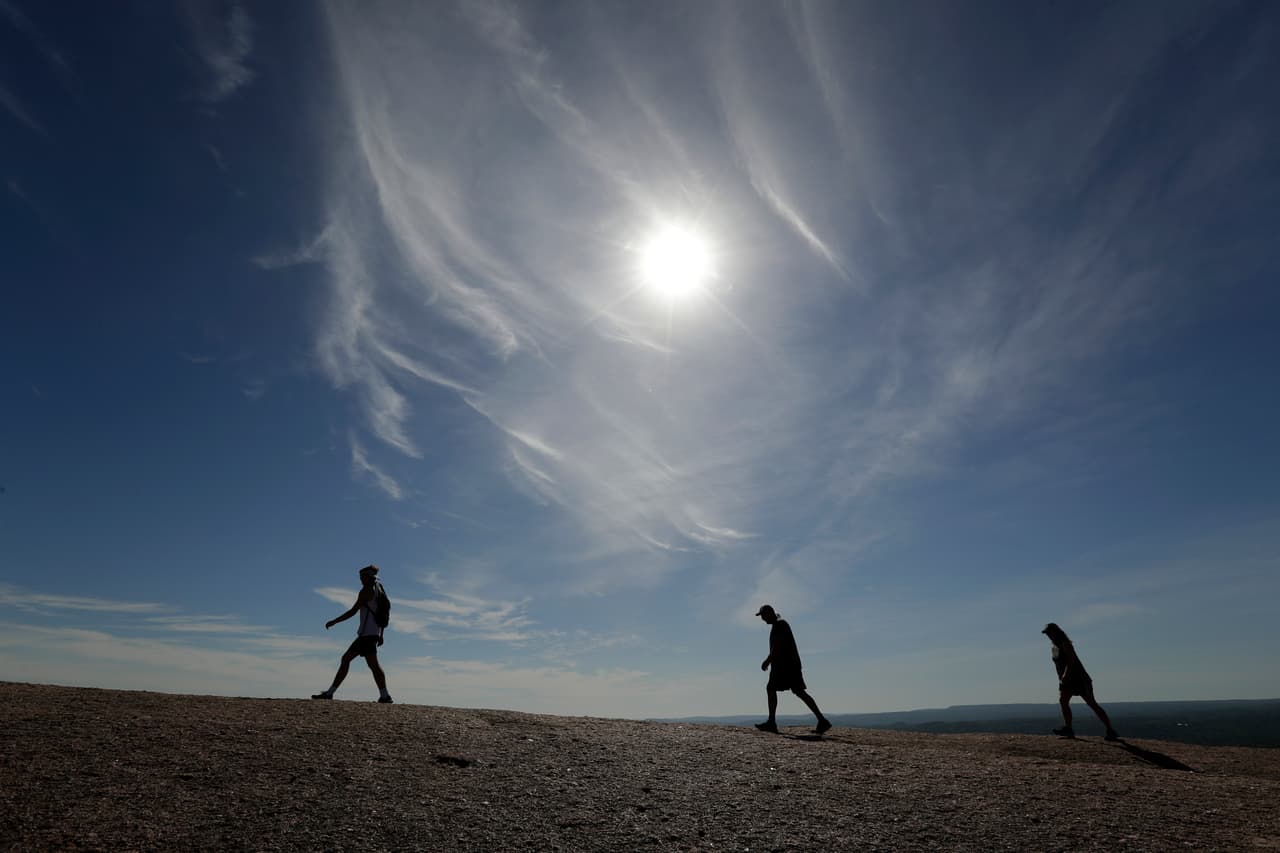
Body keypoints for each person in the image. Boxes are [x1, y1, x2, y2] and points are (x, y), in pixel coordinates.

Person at [312, 564, 393, 703]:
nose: (360, 580)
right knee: (367, 664)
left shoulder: (366, 591)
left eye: (362, 577)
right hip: (372, 634)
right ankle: (384, 695)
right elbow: (383, 613)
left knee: (354, 661)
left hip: (367, 635)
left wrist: (334, 621)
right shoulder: (379, 589)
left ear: (367, 577)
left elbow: (353, 611)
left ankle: (384, 696)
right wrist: (381, 634)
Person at [754, 604, 832, 734]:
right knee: (797, 691)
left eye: (763, 616)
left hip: (786, 666)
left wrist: (767, 660)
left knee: (775, 688)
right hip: (788, 665)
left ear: (769, 614)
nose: (762, 619)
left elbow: (777, 646)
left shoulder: (780, 625)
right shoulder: (779, 624)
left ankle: (772, 722)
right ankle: (822, 720)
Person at [1041, 622, 1117, 740]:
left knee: (1091, 703)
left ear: (1056, 632)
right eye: (1047, 634)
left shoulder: (1065, 644)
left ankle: (1110, 730)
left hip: (1079, 679)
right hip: (1066, 680)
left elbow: (1071, 661)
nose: (1049, 636)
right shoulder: (1054, 648)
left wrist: (1065, 675)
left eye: (1050, 633)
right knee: (1063, 701)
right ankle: (1068, 729)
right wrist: (1062, 678)